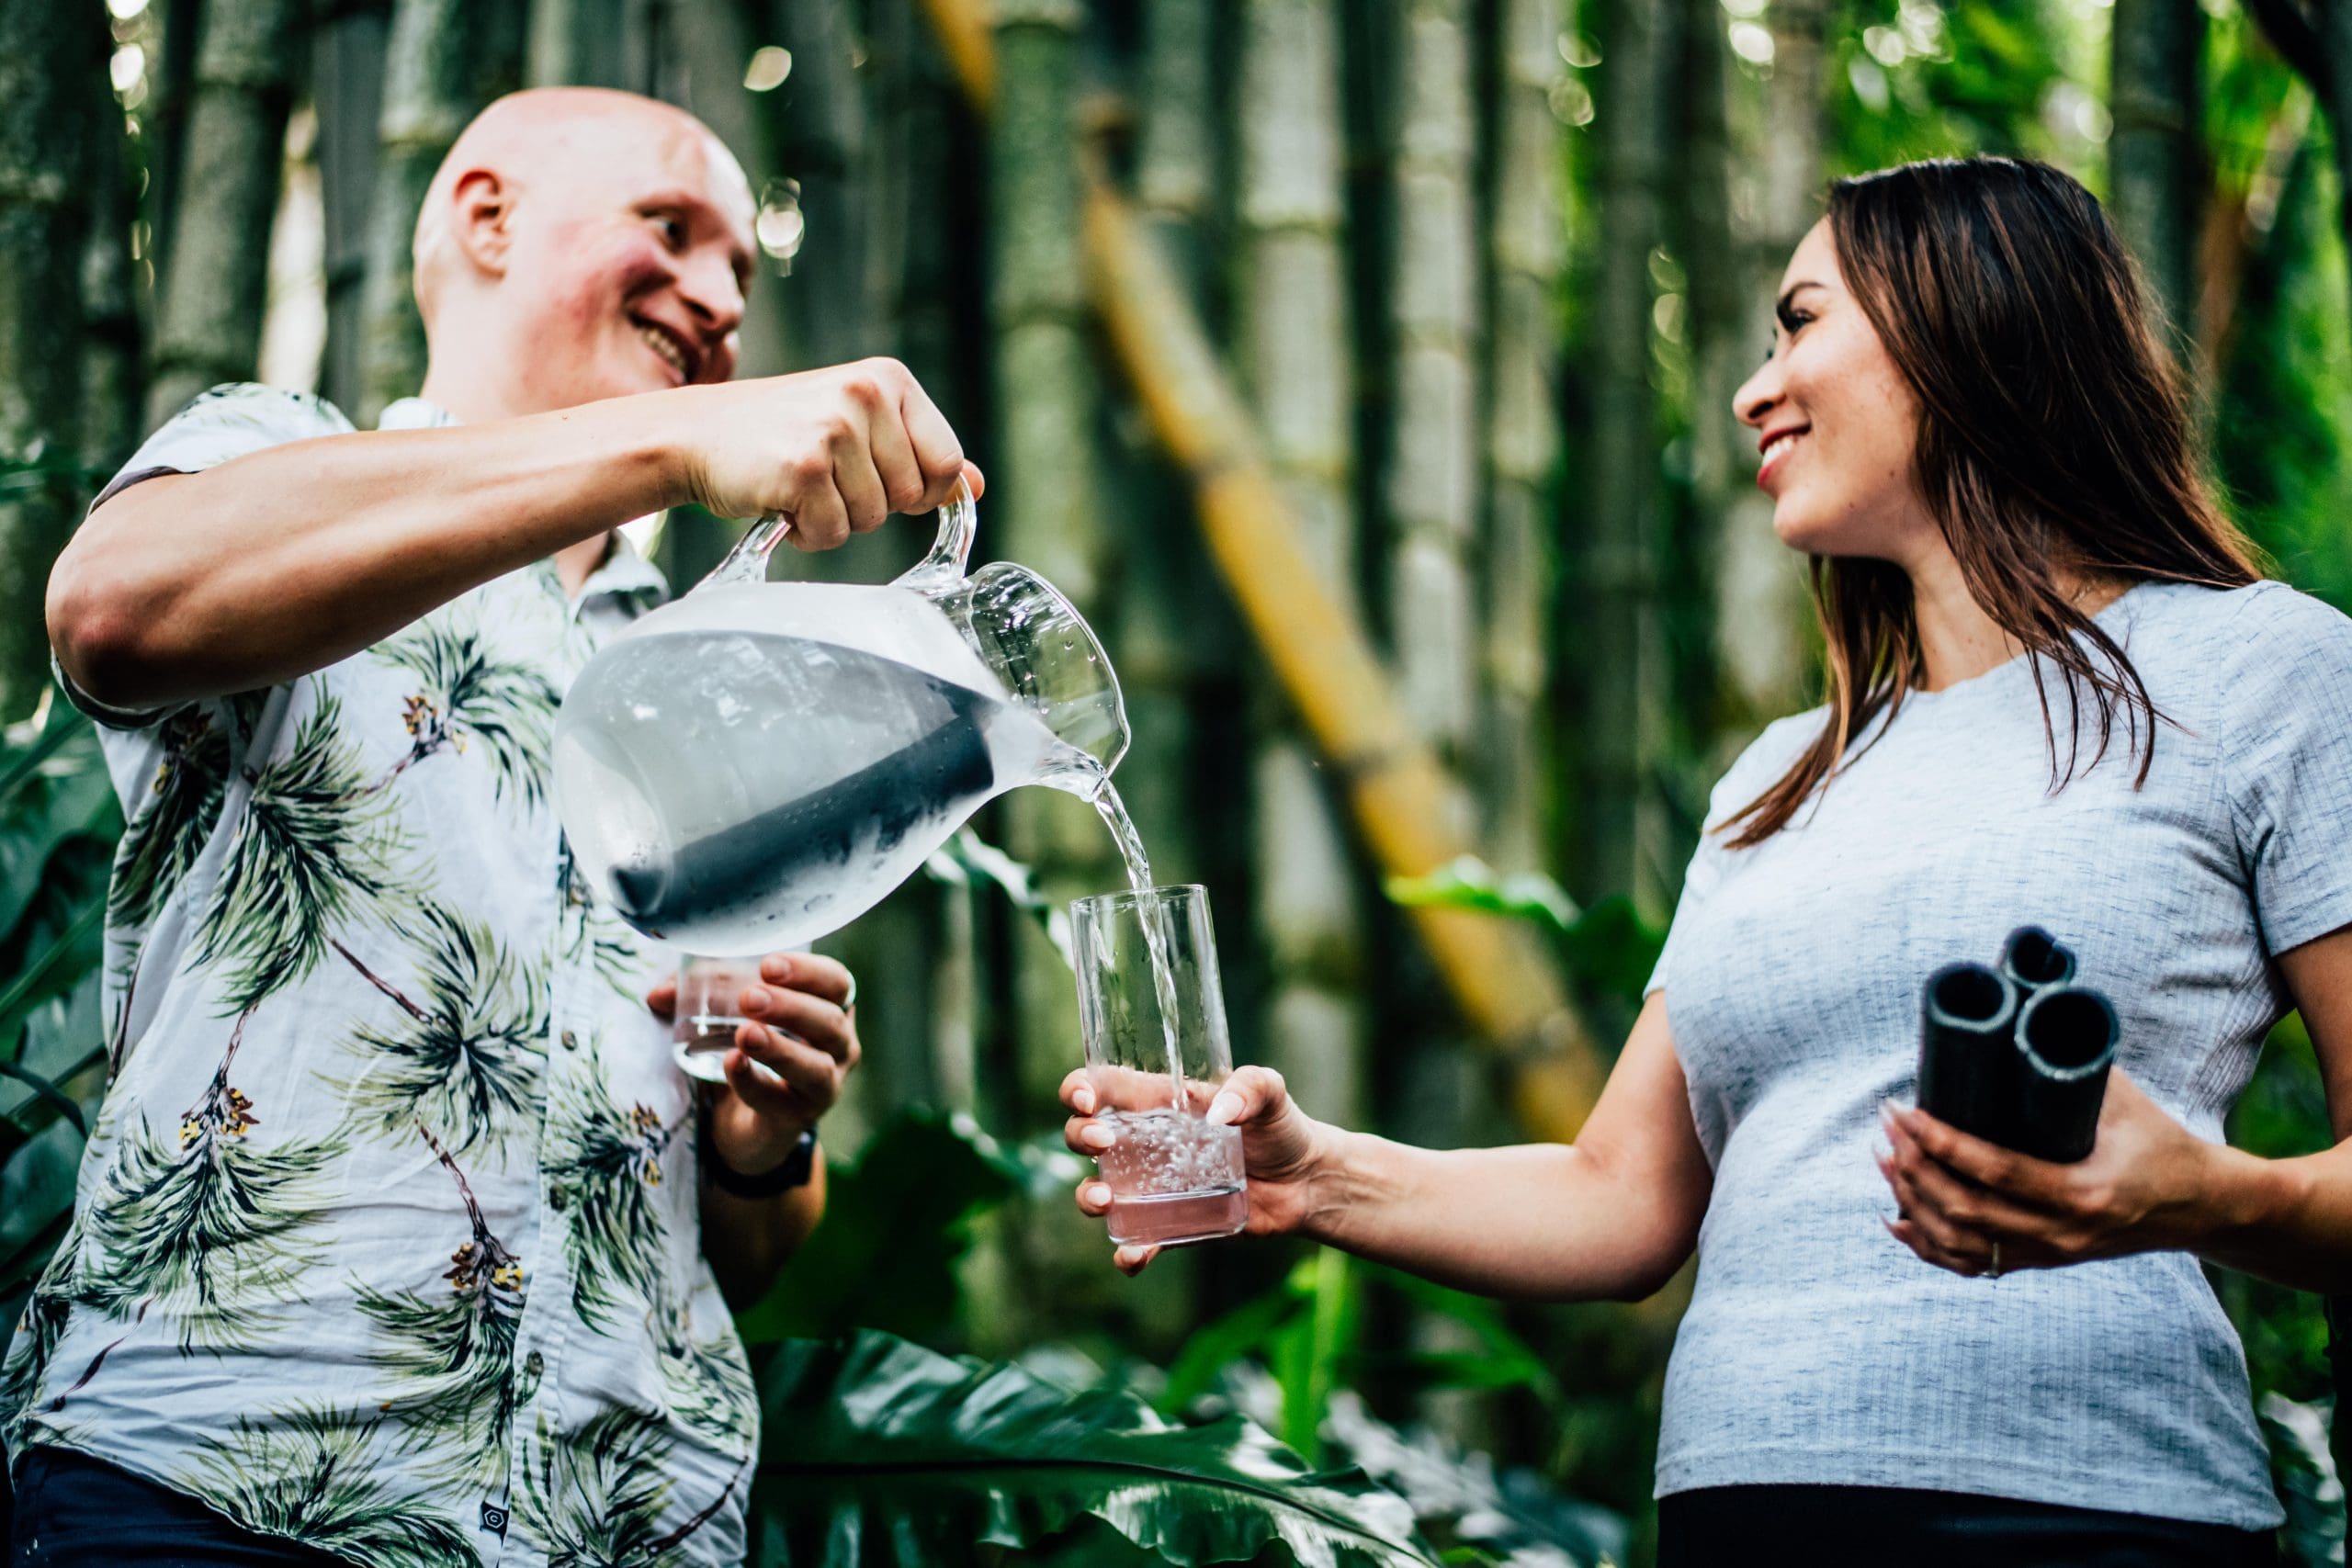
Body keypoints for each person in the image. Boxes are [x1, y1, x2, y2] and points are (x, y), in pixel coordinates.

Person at [1064, 155, 2352, 1565]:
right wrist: (1314, 1176)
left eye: (1799, 322)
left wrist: (2217, 1197)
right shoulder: (1776, 781)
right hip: (1741, 1514)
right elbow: (1621, 1198)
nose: (1752, 388)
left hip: (2093, 1520)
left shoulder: (2263, 676)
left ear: (1967, 318)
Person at [9, 88, 978, 1567]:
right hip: (228, 1495)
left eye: (743, 277)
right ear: (486, 215)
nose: (720, 299)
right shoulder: (276, 458)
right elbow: (112, 609)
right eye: (672, 230)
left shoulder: (718, 670)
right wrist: (674, 437)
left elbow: (749, 1246)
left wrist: (758, 1139)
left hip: (625, 1525)